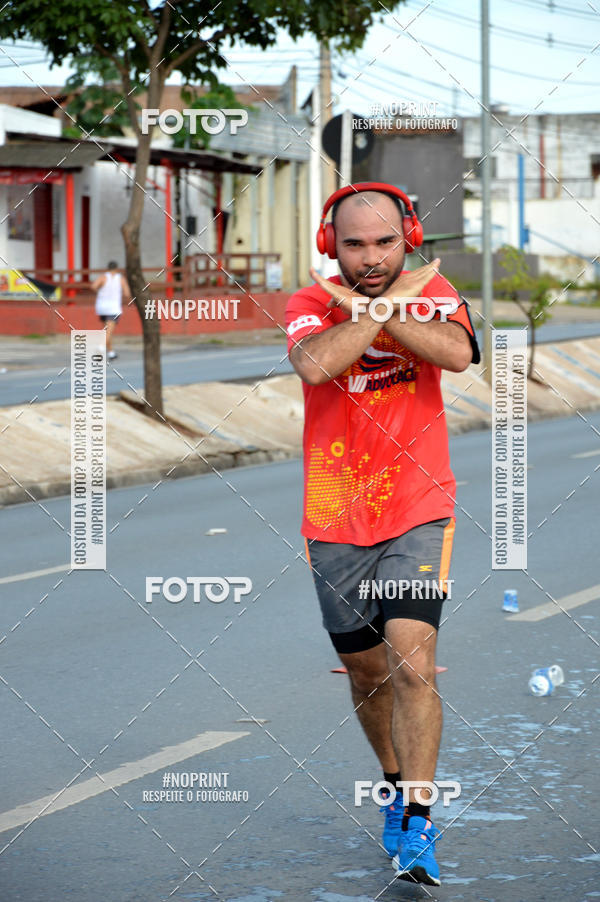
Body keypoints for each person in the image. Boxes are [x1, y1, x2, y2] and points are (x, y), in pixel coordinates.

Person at [285, 182, 480, 886]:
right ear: (329, 245)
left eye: (384, 242)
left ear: (409, 240)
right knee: (368, 675)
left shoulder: (437, 291)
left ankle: (421, 822)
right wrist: (381, 309)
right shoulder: (308, 304)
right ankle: (395, 788)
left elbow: (456, 354)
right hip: (335, 514)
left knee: (411, 663)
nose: (370, 256)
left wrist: (382, 310)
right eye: (355, 244)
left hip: (418, 508)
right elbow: (315, 364)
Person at [92, 261, 130, 360]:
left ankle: (111, 352)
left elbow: (93, 286)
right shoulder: (120, 278)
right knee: (109, 331)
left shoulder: (103, 277)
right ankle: (100, 346)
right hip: (113, 307)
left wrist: (101, 292)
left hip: (101, 306)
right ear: (117, 269)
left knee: (106, 330)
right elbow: (127, 293)